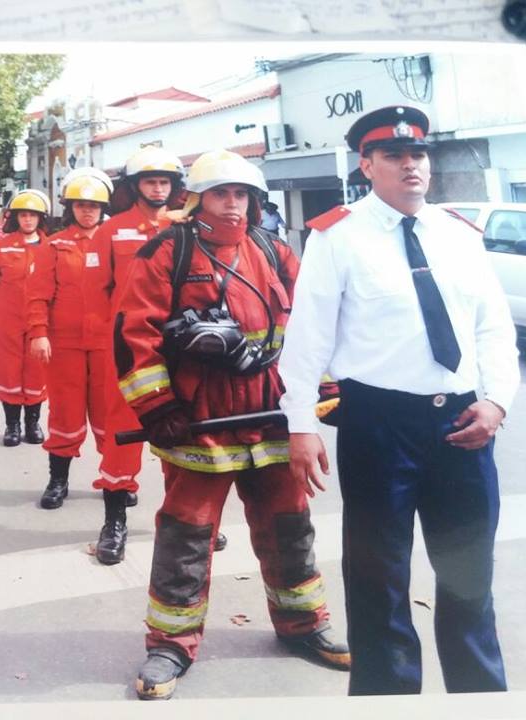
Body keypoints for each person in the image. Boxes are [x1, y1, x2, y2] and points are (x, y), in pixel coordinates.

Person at [279, 105, 520, 696]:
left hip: (465, 423)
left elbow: (494, 330)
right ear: (367, 165)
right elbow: (308, 339)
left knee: (469, 578)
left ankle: (481, 700)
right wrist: (300, 423)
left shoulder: (459, 234)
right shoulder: (337, 237)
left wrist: (497, 404)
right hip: (378, 423)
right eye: (393, 155)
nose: (410, 165)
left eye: (418, 155)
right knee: (378, 580)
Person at [116, 149, 349, 701]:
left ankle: (303, 624)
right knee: (187, 535)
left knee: (289, 525)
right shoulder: (165, 253)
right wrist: (158, 409)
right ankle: (170, 644)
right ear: (196, 199)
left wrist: (330, 387)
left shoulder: (274, 250)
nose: (233, 204)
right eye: (221, 193)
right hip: (200, 422)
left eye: (241, 194)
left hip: (272, 414)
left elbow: (316, 324)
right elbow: (133, 336)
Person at [91, 147, 180, 565]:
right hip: (127, 349)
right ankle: (114, 523)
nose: (158, 188)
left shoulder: (188, 227)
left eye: (164, 181)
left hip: (180, 348)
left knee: (182, 433)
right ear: (135, 187)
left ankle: (186, 520)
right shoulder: (111, 231)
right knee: (122, 435)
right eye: (150, 181)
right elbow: (96, 295)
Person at [26, 169, 113, 512]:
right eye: (81, 205)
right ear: (70, 207)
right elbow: (37, 295)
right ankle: (58, 481)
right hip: (64, 345)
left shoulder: (114, 243)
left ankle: (115, 480)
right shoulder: (54, 246)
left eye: (93, 205)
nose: (87, 211)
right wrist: (38, 333)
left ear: (103, 207)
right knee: (65, 414)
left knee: (110, 416)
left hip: (107, 344)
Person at [0, 189, 51, 447]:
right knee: (8, 368)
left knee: (37, 369)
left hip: (41, 320)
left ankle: (32, 423)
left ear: (41, 219)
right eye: (23, 215)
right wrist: (5, 305)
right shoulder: (1, 247)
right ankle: (12, 425)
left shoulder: (51, 247)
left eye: (33, 215)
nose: (28, 220)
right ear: (15, 218)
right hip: (7, 317)